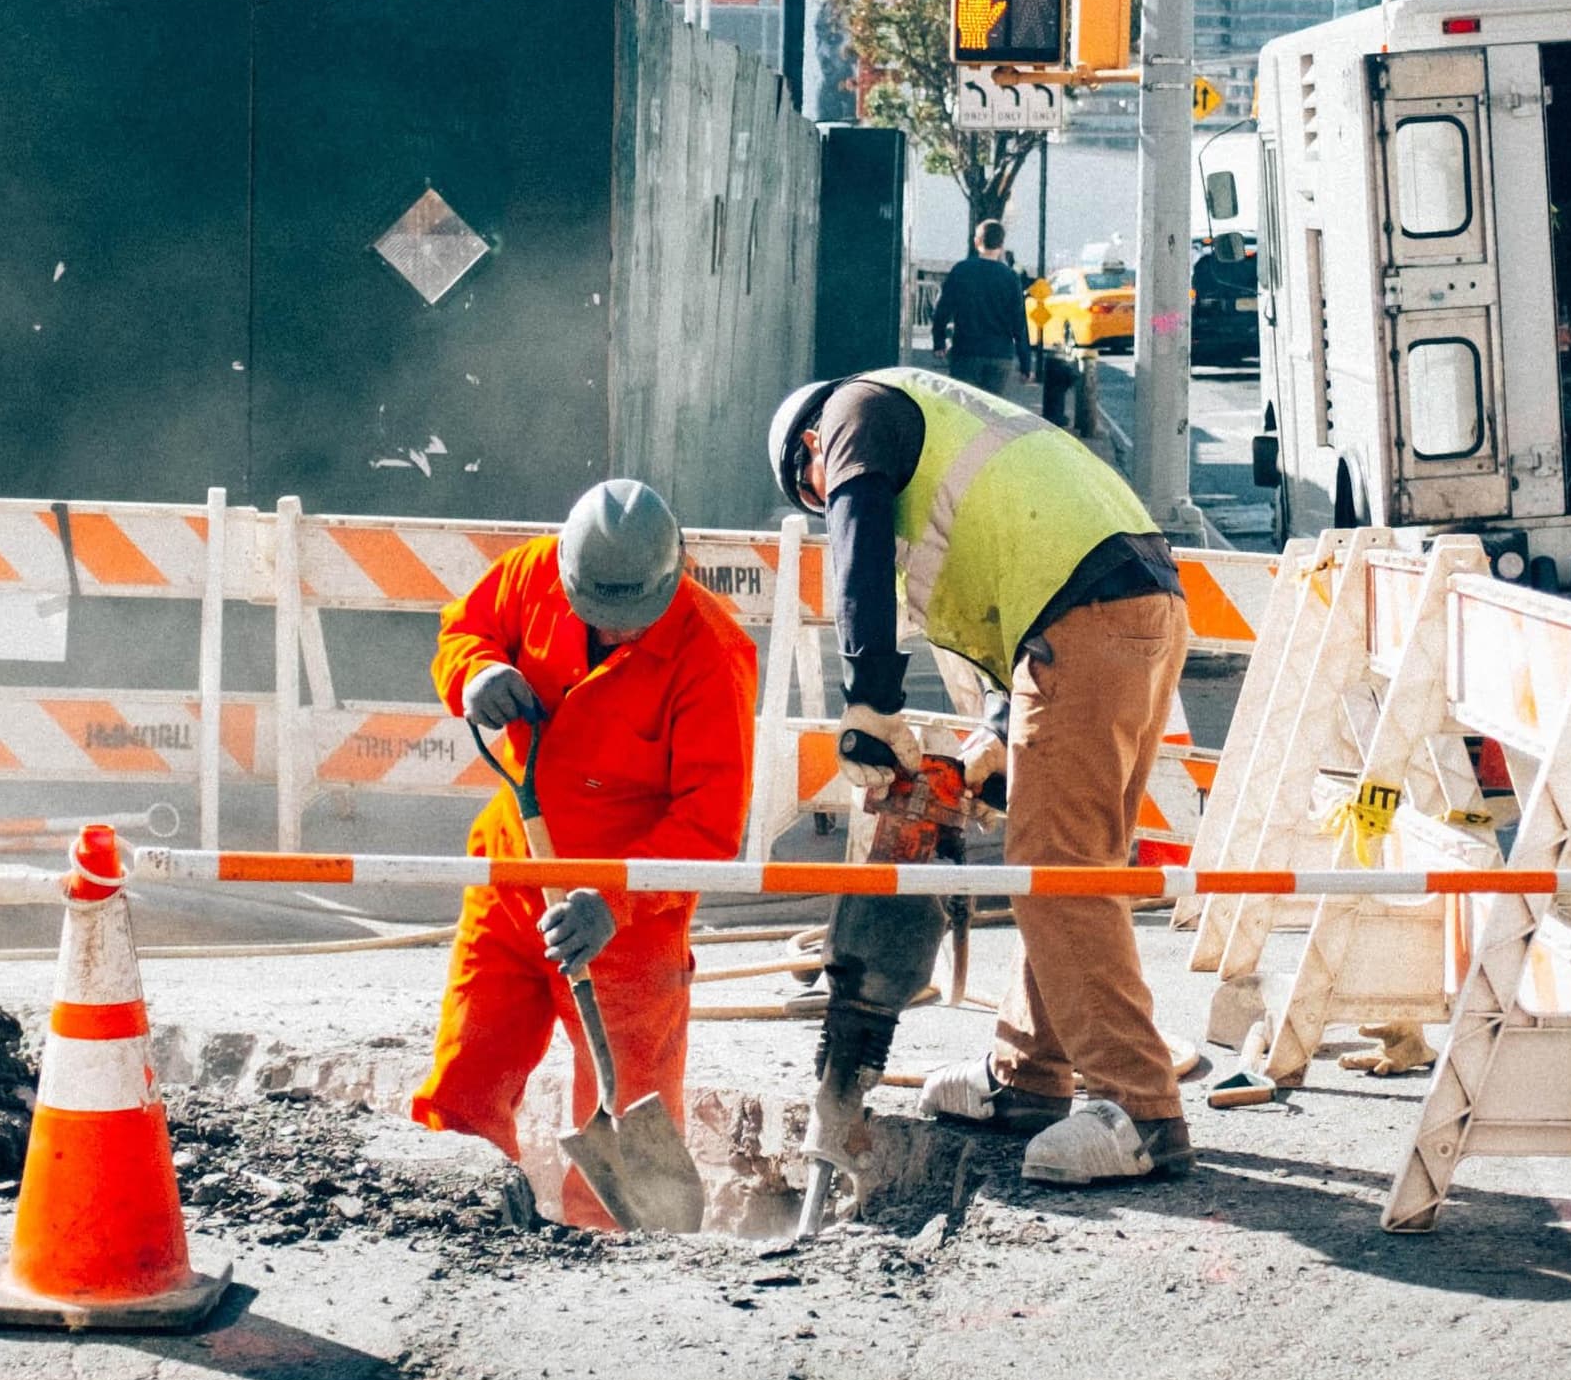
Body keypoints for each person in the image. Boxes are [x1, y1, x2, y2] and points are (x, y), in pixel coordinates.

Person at [771, 364, 1192, 1185]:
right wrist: (1001, 732)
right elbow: (1020, 563)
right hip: (1132, 601)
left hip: (1089, 613)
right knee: (1064, 856)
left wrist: (870, 703)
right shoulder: (950, 423)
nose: (826, 504)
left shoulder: (855, 410)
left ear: (811, 449)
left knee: (1059, 870)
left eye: (815, 491)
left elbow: (855, 538)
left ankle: (1141, 1110)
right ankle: (1027, 1075)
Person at [409, 478, 754, 1228]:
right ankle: (454, 1217)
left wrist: (614, 900)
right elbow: (460, 633)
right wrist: (474, 675)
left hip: (627, 919)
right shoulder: (533, 572)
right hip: (514, 876)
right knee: (468, 1067)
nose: (616, 631)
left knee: (625, 1095)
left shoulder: (710, 653)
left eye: (630, 620)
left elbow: (710, 824)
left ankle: (610, 1256)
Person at [932, 218, 1033, 400]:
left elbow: (942, 310)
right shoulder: (1010, 277)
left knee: (964, 411)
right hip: (1000, 355)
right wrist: (1026, 363)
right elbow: (1019, 323)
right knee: (990, 412)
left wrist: (939, 341)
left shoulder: (961, 271)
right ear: (1001, 245)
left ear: (977, 241)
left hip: (966, 352)